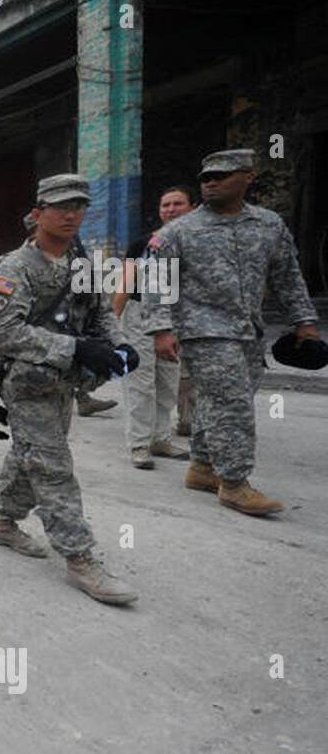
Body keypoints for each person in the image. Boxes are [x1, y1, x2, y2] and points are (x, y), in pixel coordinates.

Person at [0, 174, 138, 605]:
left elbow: (102, 311)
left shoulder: (82, 263)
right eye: (60, 207)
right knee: (52, 466)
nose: (71, 215)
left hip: (64, 383)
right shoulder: (13, 269)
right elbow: (3, 335)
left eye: (79, 206)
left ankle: (2, 522)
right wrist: (76, 347)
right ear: (38, 214)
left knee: (29, 454)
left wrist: (121, 345)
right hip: (27, 385)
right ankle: (80, 557)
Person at [143, 149, 321, 515]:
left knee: (217, 402)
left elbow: (287, 276)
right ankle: (236, 483)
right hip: (202, 331)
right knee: (233, 405)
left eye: (221, 176)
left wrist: (304, 321)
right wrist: (160, 329)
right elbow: (157, 281)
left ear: (247, 178)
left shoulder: (269, 225)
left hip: (250, 331)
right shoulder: (179, 231)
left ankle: (203, 467)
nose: (211, 183)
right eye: (206, 177)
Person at [115, 185, 194, 468]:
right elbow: (125, 285)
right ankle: (139, 444)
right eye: (166, 205)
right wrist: (113, 325)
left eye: (178, 204)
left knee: (168, 382)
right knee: (141, 382)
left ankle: (160, 438)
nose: (171, 209)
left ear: (192, 207)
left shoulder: (197, 243)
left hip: (175, 318)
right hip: (139, 316)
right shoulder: (144, 244)